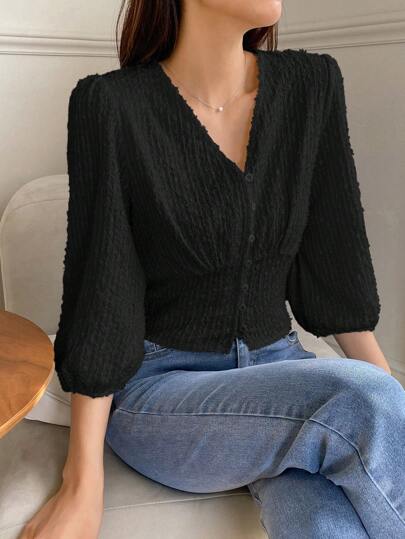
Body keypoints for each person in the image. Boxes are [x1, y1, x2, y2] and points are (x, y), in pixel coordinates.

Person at [21, 1, 405, 538]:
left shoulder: (311, 85)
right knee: (361, 399)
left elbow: (336, 269)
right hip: (164, 393)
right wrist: (81, 482)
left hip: (281, 377)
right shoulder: (111, 105)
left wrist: (393, 405)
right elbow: (102, 296)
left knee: (325, 524)